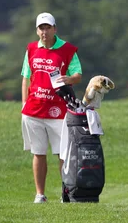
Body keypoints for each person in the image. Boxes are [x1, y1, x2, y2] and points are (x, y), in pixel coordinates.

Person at [21, 12, 82, 203]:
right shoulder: (31, 49)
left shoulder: (67, 49)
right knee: (38, 153)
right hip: (34, 110)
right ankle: (40, 194)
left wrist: (70, 79)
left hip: (59, 111)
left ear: (55, 29)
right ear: (37, 30)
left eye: (48, 28)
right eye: (41, 28)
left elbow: (78, 74)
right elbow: (25, 77)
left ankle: (66, 193)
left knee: (63, 154)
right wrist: (24, 103)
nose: (44, 32)